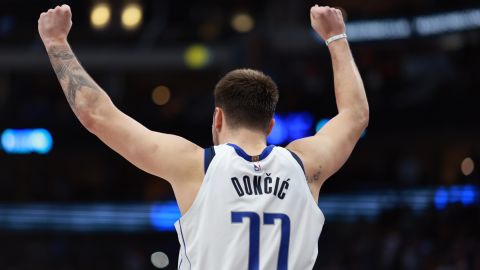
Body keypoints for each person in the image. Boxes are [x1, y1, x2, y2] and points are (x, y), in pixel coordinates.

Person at [38, 4, 368, 270]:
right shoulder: (304, 165)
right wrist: (336, 37)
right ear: (270, 126)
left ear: (218, 117)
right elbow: (355, 116)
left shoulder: (196, 166)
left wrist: (56, 42)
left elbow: (95, 114)